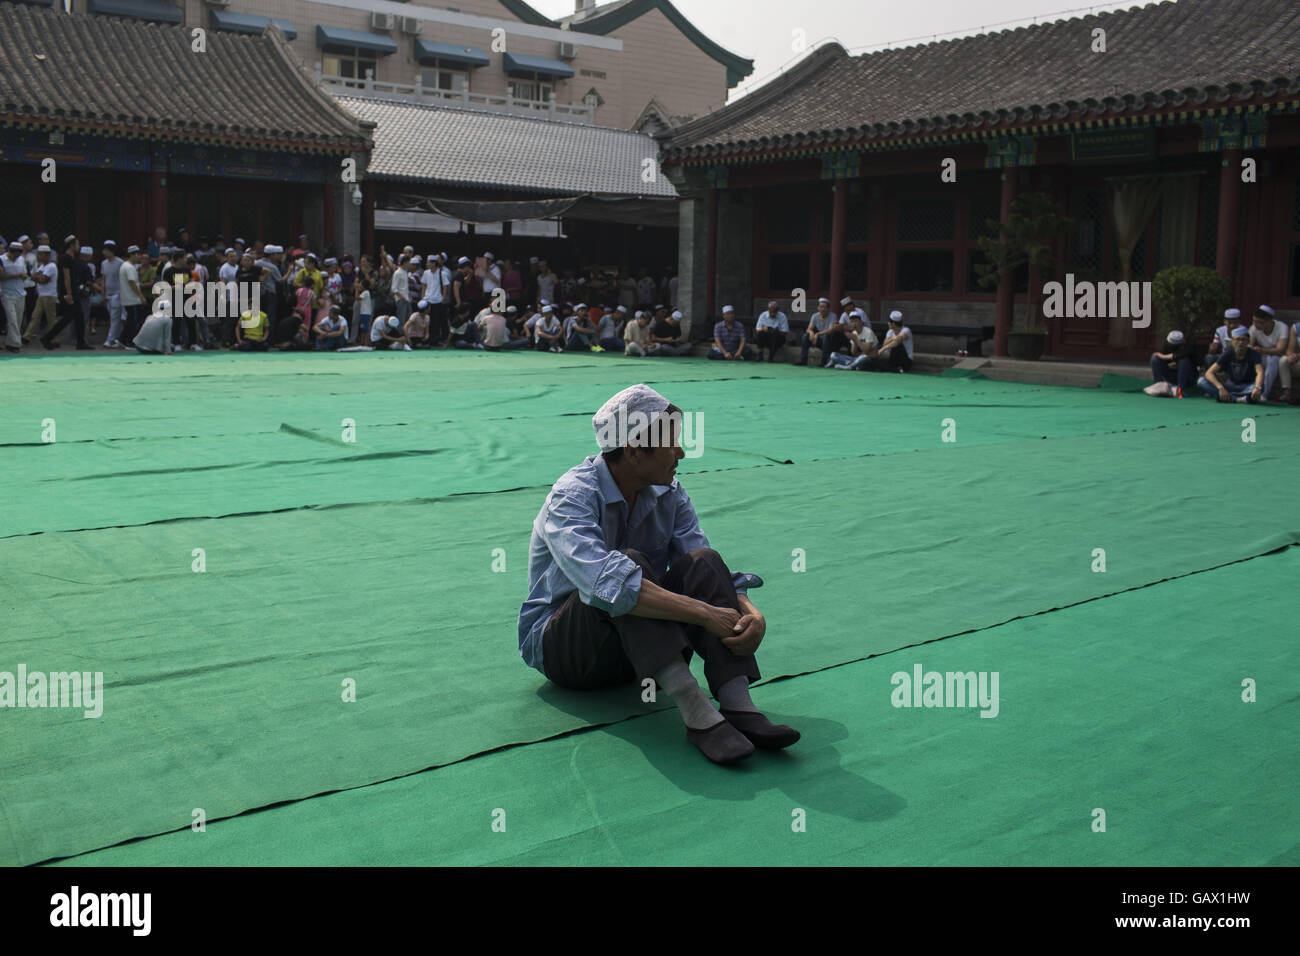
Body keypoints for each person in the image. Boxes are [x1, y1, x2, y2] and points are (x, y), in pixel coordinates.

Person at [517, 384, 799, 766]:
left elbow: (704, 565)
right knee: (625, 566)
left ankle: (737, 702)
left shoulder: (669, 492)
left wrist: (749, 611)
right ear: (634, 451)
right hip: (570, 656)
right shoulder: (571, 498)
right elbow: (611, 587)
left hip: (635, 656)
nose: (681, 452)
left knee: (703, 558)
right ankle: (695, 710)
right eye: (672, 443)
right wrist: (705, 615)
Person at [1197, 326, 1264, 402]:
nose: (1240, 342)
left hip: (1247, 386)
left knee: (1261, 386)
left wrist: (1257, 387)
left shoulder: (1253, 354)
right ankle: (1241, 399)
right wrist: (1220, 388)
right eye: (1238, 339)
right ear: (1232, 341)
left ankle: (1230, 397)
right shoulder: (1228, 354)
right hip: (1230, 386)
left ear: (1248, 341)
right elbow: (1209, 373)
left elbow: (1260, 372)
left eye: (1243, 339)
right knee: (1201, 381)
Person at [1248, 305, 1289, 400]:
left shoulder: (1282, 327)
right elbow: (1249, 345)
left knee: (1272, 360)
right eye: (1254, 321)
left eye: (1260, 322)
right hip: (1261, 356)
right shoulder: (1253, 328)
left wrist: (1262, 350)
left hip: (1276, 357)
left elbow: (1280, 349)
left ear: (1270, 321)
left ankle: (1263, 394)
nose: (1256, 325)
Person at [1145, 329, 1197, 396]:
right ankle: (1159, 387)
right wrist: (1168, 362)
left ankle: (1180, 391)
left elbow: (1180, 355)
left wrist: (1164, 357)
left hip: (1188, 378)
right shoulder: (1168, 345)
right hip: (1172, 374)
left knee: (1184, 360)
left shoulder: (1189, 345)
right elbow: (1167, 359)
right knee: (1155, 358)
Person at [24, 244, 59, 344]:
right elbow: (35, 277)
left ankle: (55, 339)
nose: (39, 257)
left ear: (47, 255)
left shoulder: (51, 266)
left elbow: (43, 280)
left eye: (41, 254)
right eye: (38, 254)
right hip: (41, 295)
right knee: (35, 317)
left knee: (51, 319)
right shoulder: (42, 266)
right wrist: (38, 277)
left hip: (49, 295)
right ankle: (27, 337)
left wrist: (38, 277)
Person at [1, 240, 27, 352]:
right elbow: (1, 276)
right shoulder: (2, 259)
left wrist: (23, 276)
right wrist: (17, 275)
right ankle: (15, 344)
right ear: (12, 252)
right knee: (12, 320)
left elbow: (25, 274)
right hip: (7, 294)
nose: (18, 256)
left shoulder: (21, 260)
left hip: (20, 293)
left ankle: (9, 341)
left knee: (18, 320)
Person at [118, 245, 145, 347]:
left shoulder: (126, 266)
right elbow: (132, 283)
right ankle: (130, 342)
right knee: (133, 322)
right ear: (133, 255)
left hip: (129, 298)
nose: (139, 257)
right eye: (138, 255)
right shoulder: (129, 267)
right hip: (132, 299)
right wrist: (141, 296)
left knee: (131, 320)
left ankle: (122, 339)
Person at [797, 298, 835, 366]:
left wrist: (817, 334)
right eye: (821, 307)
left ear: (828, 308)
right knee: (805, 336)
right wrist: (811, 333)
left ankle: (823, 362)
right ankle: (803, 361)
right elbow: (809, 328)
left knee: (826, 337)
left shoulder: (832, 315)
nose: (822, 309)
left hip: (829, 339)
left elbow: (830, 330)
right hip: (818, 339)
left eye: (825, 307)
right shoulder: (815, 315)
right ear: (818, 307)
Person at [1279, 318, 1300, 405]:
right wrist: (1292, 356)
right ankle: (1286, 393)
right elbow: (1289, 350)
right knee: (1284, 360)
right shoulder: (1296, 327)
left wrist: (1298, 356)